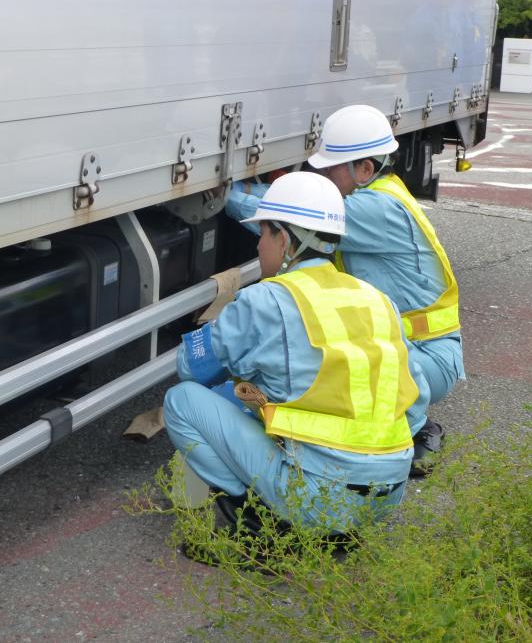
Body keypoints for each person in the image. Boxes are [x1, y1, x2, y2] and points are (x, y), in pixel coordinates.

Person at [164, 172, 430, 539]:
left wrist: (211, 334)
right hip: (386, 498)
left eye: (263, 235)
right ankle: (327, 519)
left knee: (181, 401)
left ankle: (260, 520)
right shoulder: (376, 299)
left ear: (286, 240)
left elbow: (190, 369)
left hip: (316, 501)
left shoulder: (265, 299)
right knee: (258, 398)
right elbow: (417, 402)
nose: (258, 247)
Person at [226, 105, 463, 475]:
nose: (319, 174)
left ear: (365, 169)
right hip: (420, 349)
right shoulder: (385, 192)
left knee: (331, 371)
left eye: (329, 167)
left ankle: (412, 431)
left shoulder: (377, 208)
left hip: (426, 357)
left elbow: (287, 215)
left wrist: (230, 193)